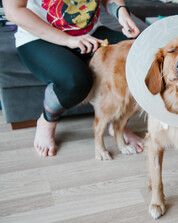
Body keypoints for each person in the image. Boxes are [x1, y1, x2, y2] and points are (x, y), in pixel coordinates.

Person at [3, 0, 143, 157]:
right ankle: (47, 120)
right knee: (75, 82)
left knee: (137, 56)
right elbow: (14, 10)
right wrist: (68, 40)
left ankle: (119, 123)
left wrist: (121, 13)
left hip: (91, 32)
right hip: (38, 36)